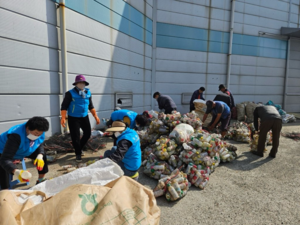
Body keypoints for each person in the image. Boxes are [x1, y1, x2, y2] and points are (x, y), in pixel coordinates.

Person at [0, 117, 49, 190]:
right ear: (28, 128)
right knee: (2, 166)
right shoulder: (16, 135)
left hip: (23, 149)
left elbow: (39, 143)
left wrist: (40, 155)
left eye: (40, 134)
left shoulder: (40, 131)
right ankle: (5, 191)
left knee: (42, 157)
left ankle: (40, 180)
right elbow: (5, 159)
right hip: (4, 151)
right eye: (36, 133)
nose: (37, 136)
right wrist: (16, 171)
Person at [60, 74, 100, 162]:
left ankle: (79, 148)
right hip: (73, 118)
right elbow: (64, 106)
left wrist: (95, 116)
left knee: (88, 133)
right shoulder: (70, 93)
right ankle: (78, 153)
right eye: (79, 82)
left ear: (85, 84)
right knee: (75, 137)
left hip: (84, 116)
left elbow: (91, 106)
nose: (81, 84)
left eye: (83, 83)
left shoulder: (88, 93)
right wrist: (63, 117)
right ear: (76, 84)